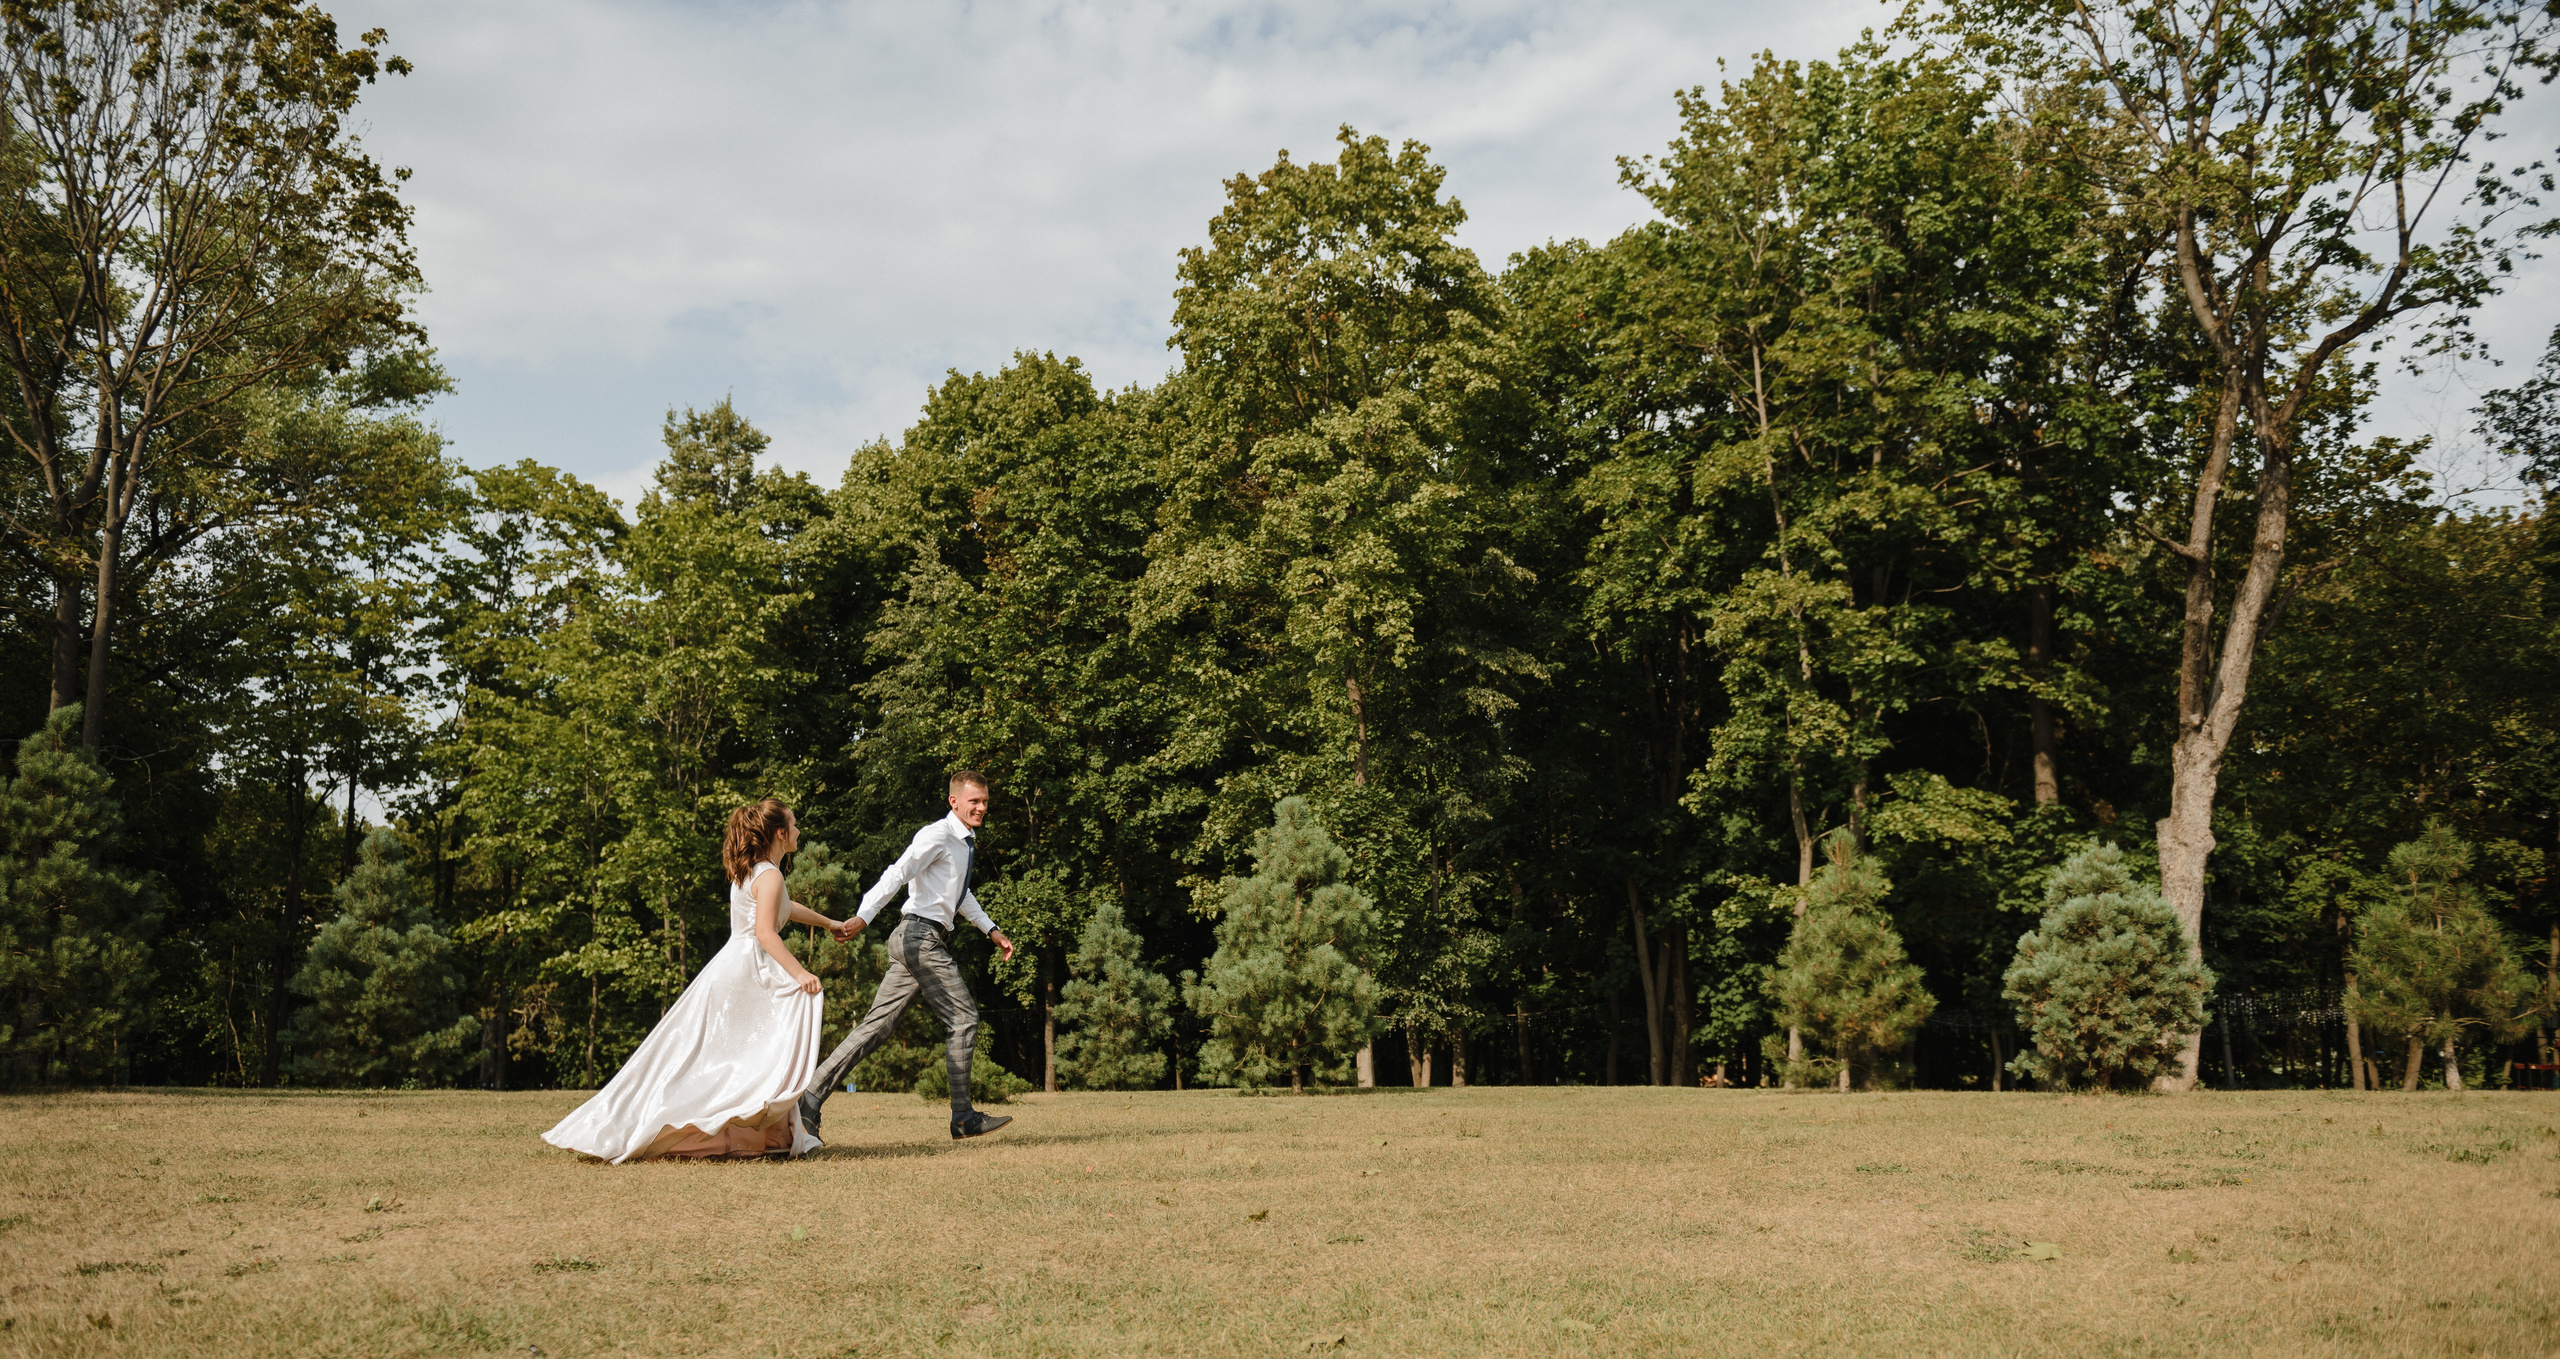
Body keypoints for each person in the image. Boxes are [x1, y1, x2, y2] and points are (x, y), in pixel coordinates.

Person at [542, 799, 848, 1162]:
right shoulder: (770, 874)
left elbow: (785, 906)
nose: (799, 831)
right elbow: (766, 932)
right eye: (794, 826)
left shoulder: (757, 871)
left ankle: (766, 1134)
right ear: (781, 834)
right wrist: (801, 974)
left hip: (734, 967)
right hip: (749, 972)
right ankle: (715, 1131)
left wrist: (829, 923)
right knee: (746, 1057)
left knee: (729, 1057)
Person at [800, 770, 1018, 1141]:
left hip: (915, 938)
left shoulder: (963, 842)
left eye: (984, 802)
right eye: (974, 802)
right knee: (964, 1018)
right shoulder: (938, 835)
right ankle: (963, 1116)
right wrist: (864, 916)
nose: (981, 807)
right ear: (954, 801)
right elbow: (897, 872)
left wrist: (991, 930)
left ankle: (808, 1100)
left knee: (876, 1028)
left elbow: (959, 893)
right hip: (920, 937)